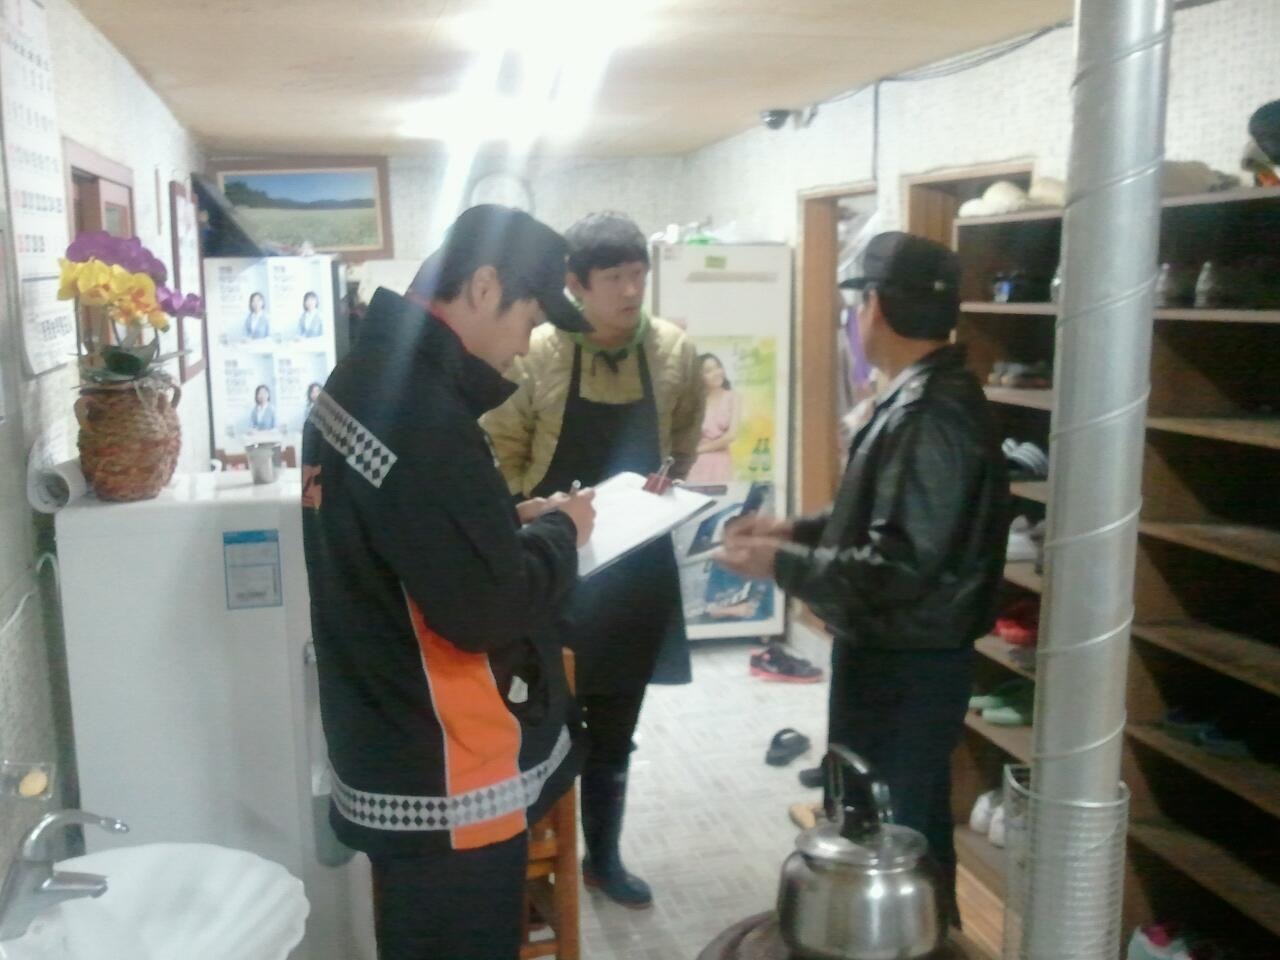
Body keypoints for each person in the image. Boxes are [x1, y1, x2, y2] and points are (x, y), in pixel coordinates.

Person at [300, 204, 598, 960]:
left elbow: (407, 542)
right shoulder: (423, 416)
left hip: (387, 738)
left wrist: (505, 522)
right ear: (485, 286)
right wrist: (563, 531)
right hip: (446, 773)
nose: (524, 348)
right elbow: (486, 611)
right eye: (528, 320)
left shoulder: (361, 378)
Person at [716, 232, 1009, 926]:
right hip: (896, 656)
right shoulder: (922, 396)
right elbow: (885, 520)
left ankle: (913, 942)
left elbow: (899, 568)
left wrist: (779, 565)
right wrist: (794, 530)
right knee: (896, 822)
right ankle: (921, 937)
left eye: (857, 306)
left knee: (892, 833)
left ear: (874, 307)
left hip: (906, 666)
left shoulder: (931, 414)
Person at [483, 211, 704, 909]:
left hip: (637, 570)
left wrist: (661, 485)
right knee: (538, 727)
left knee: (617, 726)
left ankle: (603, 858)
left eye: (639, 275)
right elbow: (503, 451)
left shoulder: (672, 351)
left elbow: (683, 441)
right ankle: (528, 869)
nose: (631, 291)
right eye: (614, 278)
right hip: (555, 568)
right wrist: (538, 516)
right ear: (576, 285)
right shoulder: (538, 352)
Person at [686, 353, 741, 485]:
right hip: (695, 464)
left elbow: (731, 436)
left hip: (720, 462)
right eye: (708, 371)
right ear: (699, 377)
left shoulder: (733, 397)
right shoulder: (694, 401)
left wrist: (698, 450)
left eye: (718, 367)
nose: (716, 373)